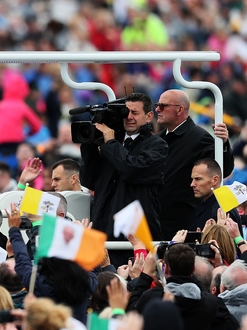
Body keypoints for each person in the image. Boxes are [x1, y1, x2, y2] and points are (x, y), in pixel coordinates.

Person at [80, 92, 165, 240]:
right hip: (103, 228)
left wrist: (111, 143)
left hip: (134, 235)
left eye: (135, 112)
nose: (129, 117)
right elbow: (89, 180)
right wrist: (90, 146)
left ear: (149, 116)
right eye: (126, 112)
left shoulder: (157, 145)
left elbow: (132, 169)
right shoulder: (111, 142)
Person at [156, 89, 234, 239]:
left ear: (180, 109)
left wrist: (223, 144)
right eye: (157, 105)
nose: (157, 109)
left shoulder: (199, 138)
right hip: (157, 222)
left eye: (163, 105)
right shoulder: (158, 139)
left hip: (183, 224)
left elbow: (221, 169)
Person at [189, 158, 242, 231]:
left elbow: (225, 241)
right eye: (192, 179)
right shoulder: (211, 207)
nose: (192, 184)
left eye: (198, 179)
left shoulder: (221, 211)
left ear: (215, 180)